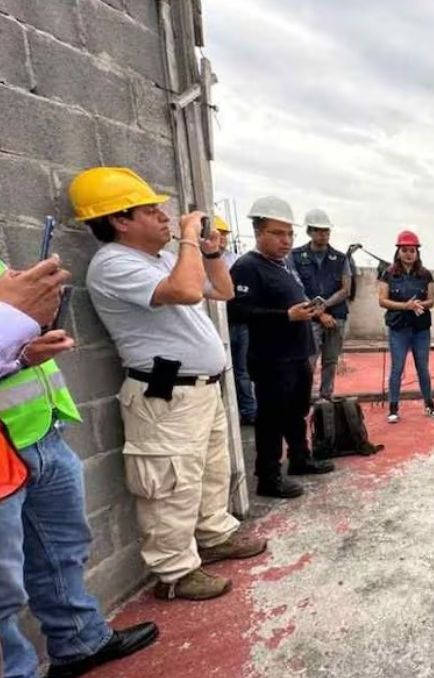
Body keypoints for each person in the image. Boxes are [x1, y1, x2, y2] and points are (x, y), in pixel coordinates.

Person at [76, 167, 267, 603]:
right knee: (170, 482)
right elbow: (184, 291)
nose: (164, 217)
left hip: (201, 389)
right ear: (120, 220)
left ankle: (213, 535)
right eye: (151, 211)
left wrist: (211, 252)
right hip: (165, 393)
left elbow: (222, 290)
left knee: (209, 471)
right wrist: (185, 238)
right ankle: (175, 571)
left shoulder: (162, 258)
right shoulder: (114, 264)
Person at [0, 250, 158, 678]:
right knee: (3, 587)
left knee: (63, 548)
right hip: (7, 441)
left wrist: (24, 349)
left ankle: (79, 640)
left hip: (39, 427)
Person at [229, 197, 335, 500]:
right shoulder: (248, 267)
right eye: (278, 233)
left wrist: (306, 311)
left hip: (298, 352)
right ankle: (269, 476)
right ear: (258, 232)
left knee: (296, 411)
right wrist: (285, 316)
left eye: (289, 234)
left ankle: (300, 459)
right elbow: (237, 312)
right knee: (271, 418)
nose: (286, 240)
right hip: (272, 358)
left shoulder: (283, 265)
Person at [378, 230, 434, 423]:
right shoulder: (388, 274)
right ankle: (393, 408)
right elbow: (382, 300)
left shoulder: (425, 275)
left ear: (417, 252)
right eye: (404, 250)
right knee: (397, 368)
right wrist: (405, 306)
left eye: (412, 250)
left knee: (423, 367)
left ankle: (429, 405)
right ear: (398, 251)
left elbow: (431, 301)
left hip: (420, 328)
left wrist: (419, 305)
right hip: (398, 328)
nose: (408, 254)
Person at [291, 209, 351, 400]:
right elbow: (295, 287)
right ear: (309, 232)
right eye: (318, 231)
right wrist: (318, 313)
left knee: (331, 361)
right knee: (309, 360)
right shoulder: (296, 256)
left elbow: (345, 289)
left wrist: (325, 305)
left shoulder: (340, 258)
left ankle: (326, 398)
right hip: (309, 318)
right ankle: (303, 398)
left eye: (326, 231)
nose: (323, 235)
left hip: (336, 317)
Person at [217, 215, 256, 425]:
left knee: (242, 370)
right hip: (216, 325)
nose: (222, 239)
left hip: (240, 323)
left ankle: (249, 411)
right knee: (220, 371)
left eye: (224, 235)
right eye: (218, 234)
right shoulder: (201, 260)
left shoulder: (237, 261)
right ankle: (224, 413)